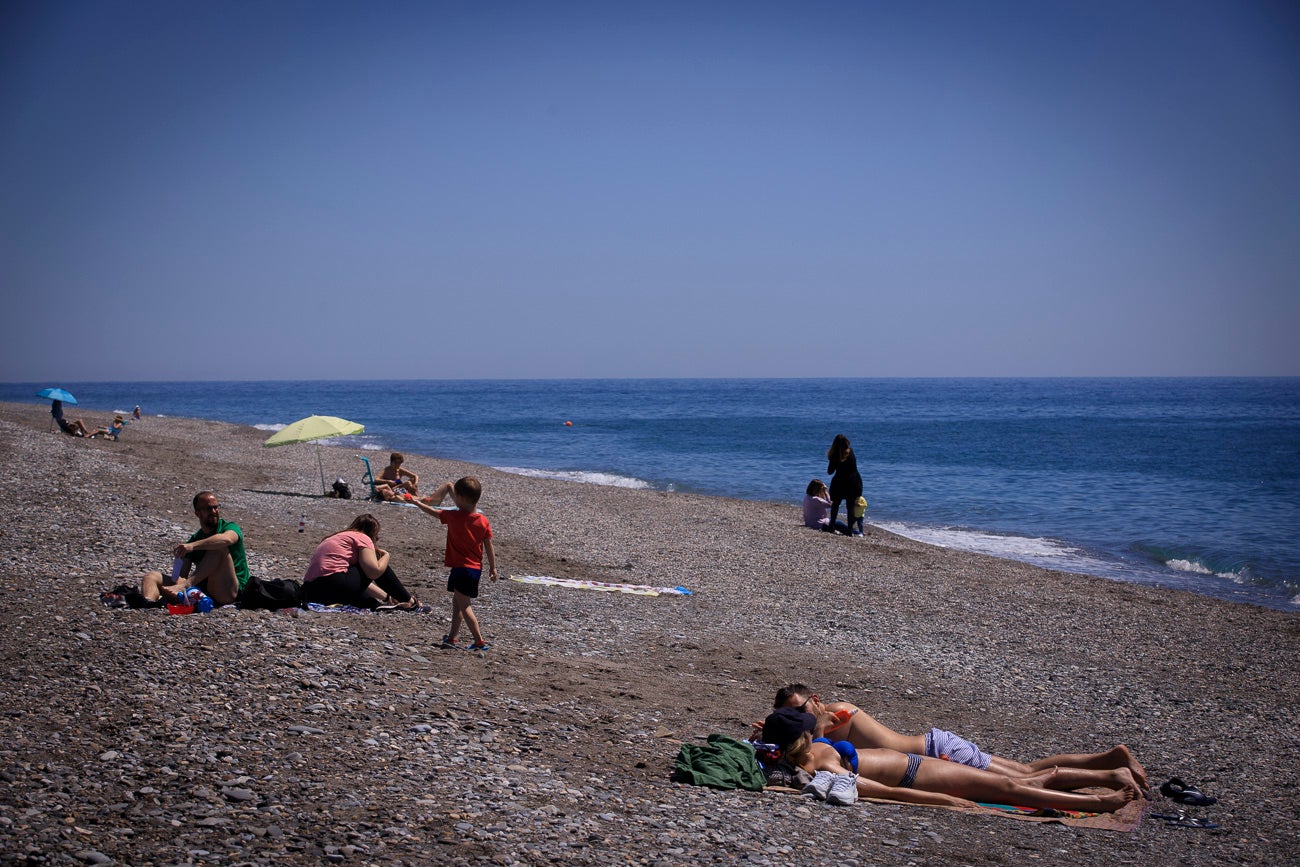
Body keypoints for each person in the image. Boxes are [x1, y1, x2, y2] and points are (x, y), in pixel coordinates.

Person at [771, 684, 1148, 793]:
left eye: (800, 708)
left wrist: (784, 729)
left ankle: (1110, 764)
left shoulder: (835, 715)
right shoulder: (816, 722)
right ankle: (1109, 761)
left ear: (815, 700)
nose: (800, 716)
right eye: (794, 713)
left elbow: (810, 742)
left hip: (938, 751)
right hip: (935, 749)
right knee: (1025, 770)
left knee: (1024, 774)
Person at [762, 708, 1137, 813]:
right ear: (800, 740)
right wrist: (941, 799)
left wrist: (762, 737)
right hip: (916, 776)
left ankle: (1108, 776)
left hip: (919, 763)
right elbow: (880, 792)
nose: (814, 729)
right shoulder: (821, 765)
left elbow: (796, 740)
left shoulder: (816, 749)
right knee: (1013, 786)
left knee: (1021, 781)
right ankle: (1100, 799)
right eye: (808, 728)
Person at [411, 476, 497, 651]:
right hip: (475, 570)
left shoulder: (454, 516)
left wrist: (418, 503)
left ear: (460, 498)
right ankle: (452, 638)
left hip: (460, 569)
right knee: (457, 603)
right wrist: (493, 567)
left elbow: (434, 512)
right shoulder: (483, 520)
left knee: (465, 607)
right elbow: (489, 545)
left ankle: (479, 641)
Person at [139, 491, 249, 606]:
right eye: (208, 509)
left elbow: (227, 540)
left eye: (215, 507)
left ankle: (186, 587)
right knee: (151, 577)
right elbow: (181, 575)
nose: (214, 512)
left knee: (218, 548)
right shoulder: (195, 540)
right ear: (198, 513)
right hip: (206, 590)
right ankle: (149, 604)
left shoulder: (229, 527)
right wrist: (178, 583)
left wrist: (193, 546)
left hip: (231, 591)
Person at [302, 513, 419, 609]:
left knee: (358, 584)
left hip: (312, 591)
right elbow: (373, 572)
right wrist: (386, 555)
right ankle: (410, 602)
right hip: (335, 584)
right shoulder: (363, 537)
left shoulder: (337, 537)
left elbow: (359, 581)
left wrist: (387, 597)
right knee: (378, 561)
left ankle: (377, 606)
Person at [825, 434, 862, 536]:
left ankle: (831, 526)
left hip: (839, 483)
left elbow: (830, 471)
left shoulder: (835, 455)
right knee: (850, 507)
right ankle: (850, 531)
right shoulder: (851, 452)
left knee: (835, 506)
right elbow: (854, 468)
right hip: (852, 482)